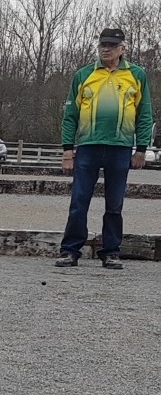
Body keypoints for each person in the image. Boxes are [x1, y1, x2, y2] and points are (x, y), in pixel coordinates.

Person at [55, 27, 153, 270]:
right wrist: (68, 150)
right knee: (79, 200)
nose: (106, 49)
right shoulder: (83, 75)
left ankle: (111, 252)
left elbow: (144, 114)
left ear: (122, 49)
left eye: (111, 46)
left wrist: (141, 148)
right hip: (88, 146)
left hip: (120, 147)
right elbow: (70, 115)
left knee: (115, 203)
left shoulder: (137, 75)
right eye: (102, 45)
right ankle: (70, 250)